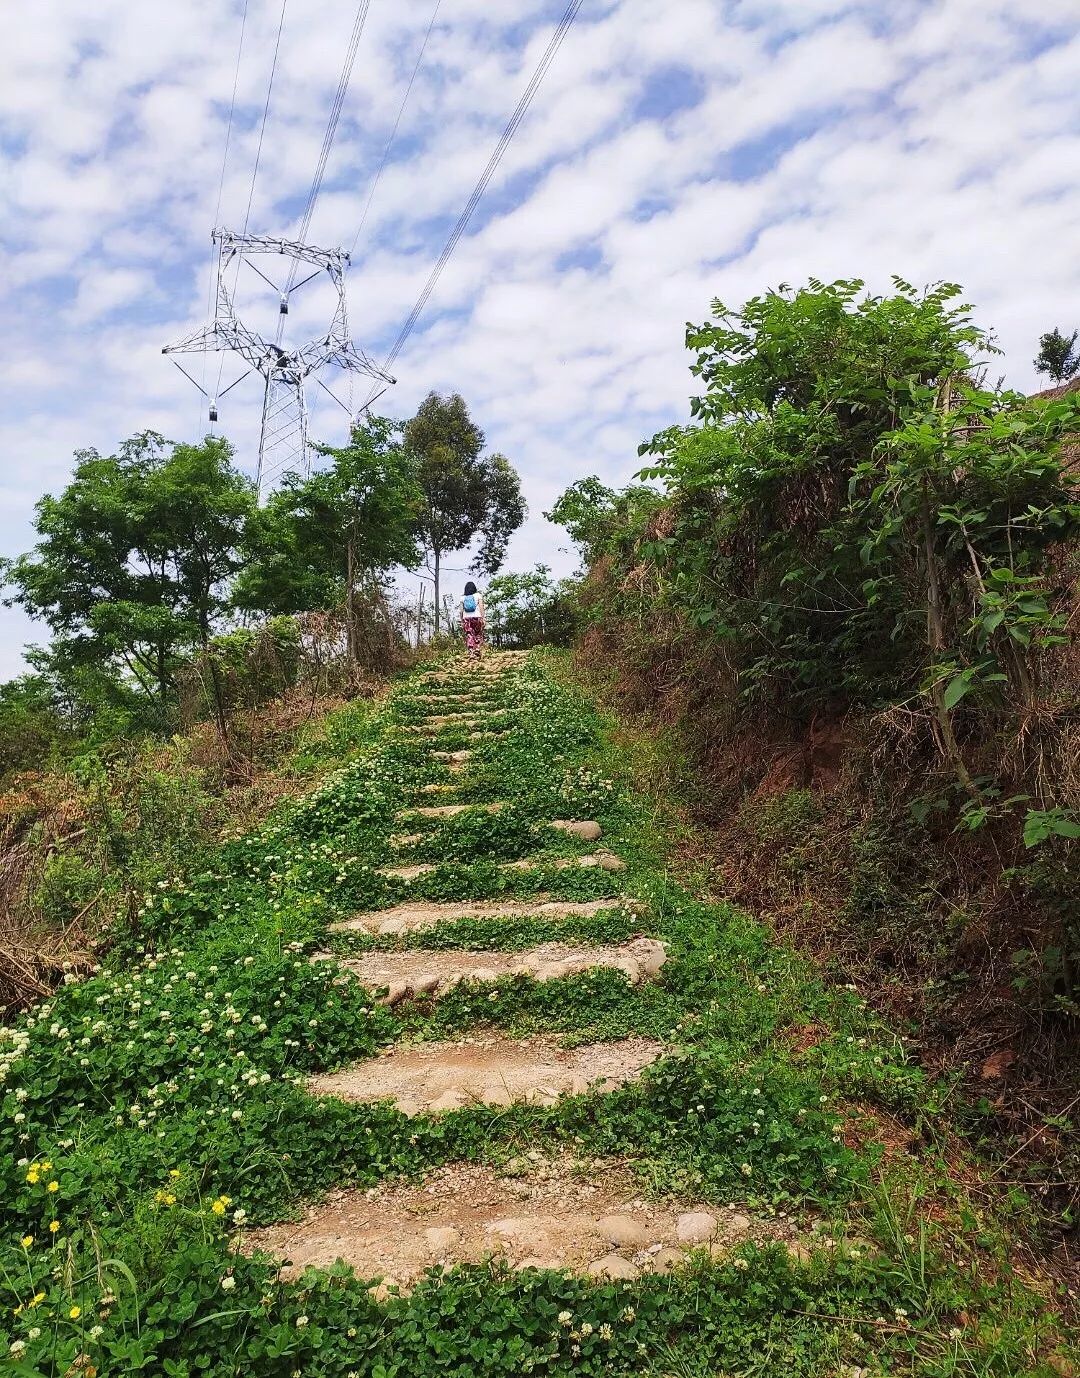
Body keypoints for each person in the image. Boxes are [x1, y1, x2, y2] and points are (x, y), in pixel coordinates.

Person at [461, 580, 486, 660]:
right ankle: (477, 649)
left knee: (469, 635)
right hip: (477, 617)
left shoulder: (463, 597)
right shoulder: (478, 595)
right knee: (478, 633)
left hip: (466, 618)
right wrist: (483, 617)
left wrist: (462, 620)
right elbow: (481, 607)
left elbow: (461, 610)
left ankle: (471, 652)